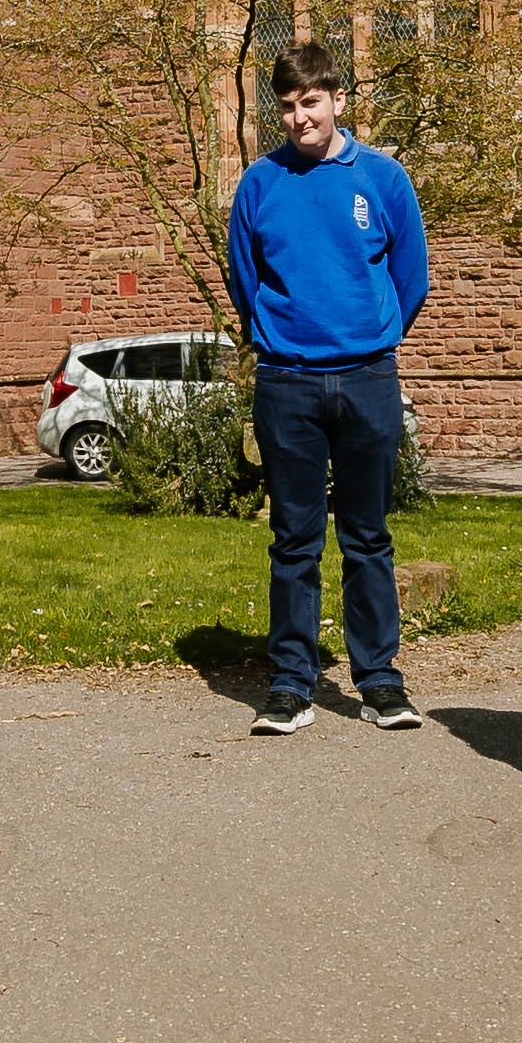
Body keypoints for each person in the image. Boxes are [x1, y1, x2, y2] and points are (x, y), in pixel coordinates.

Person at [222, 39, 433, 736]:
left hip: (367, 377)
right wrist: (282, 339)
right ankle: (290, 682)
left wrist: (370, 336)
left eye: (309, 102)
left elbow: (411, 277)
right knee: (294, 539)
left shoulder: (381, 178)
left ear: (337, 101)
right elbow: (244, 280)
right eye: (285, 106)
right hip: (287, 382)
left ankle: (379, 680)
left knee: (368, 535)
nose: (297, 118)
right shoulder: (259, 185)